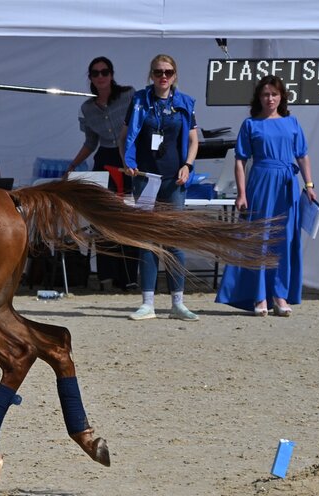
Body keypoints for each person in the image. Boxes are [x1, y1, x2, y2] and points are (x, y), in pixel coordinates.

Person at [216, 75, 316, 317]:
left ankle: (280, 295)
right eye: (265, 94)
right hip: (260, 182)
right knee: (259, 238)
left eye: (274, 94)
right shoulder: (251, 124)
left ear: (281, 97)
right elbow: (240, 160)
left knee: (284, 239)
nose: (270, 98)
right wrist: (241, 193)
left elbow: (302, 156)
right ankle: (259, 296)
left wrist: (310, 184)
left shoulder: (292, 123)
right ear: (258, 98)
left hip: (287, 185)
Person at [120, 54, 199, 321]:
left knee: (175, 240)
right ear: (150, 75)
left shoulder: (184, 103)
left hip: (173, 180)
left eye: (167, 72)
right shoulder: (139, 101)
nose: (162, 76)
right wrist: (127, 162)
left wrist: (187, 165)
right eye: (157, 72)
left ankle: (178, 302)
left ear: (175, 75)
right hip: (145, 179)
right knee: (147, 239)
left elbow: (193, 139)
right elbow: (124, 137)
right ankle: (148, 303)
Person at [65, 56, 138, 291]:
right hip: (104, 160)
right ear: (90, 78)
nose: (100, 77)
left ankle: (129, 277)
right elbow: (91, 141)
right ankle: (106, 276)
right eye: (95, 73)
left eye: (104, 72)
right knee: (103, 219)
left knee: (129, 217)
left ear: (112, 74)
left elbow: (140, 127)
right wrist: (74, 165)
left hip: (128, 160)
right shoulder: (87, 107)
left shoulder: (129, 95)